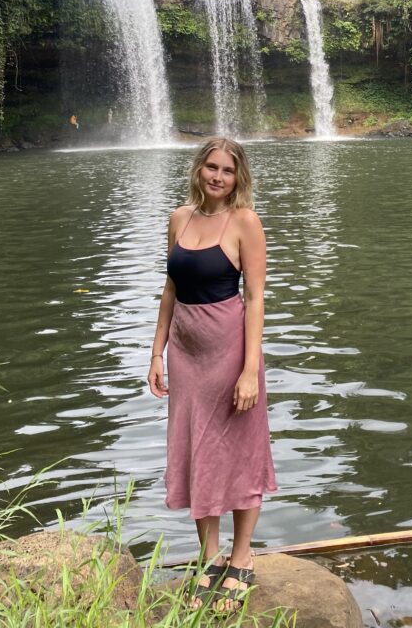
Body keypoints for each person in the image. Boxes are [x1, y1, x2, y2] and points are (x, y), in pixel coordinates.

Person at [148, 137, 277, 610]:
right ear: (198, 169)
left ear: (238, 177)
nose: (218, 177)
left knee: (241, 452)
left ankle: (241, 559)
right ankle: (210, 557)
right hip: (185, 353)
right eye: (211, 167)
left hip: (230, 353)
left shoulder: (245, 222)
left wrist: (249, 370)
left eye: (227, 170)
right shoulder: (178, 218)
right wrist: (156, 352)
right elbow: (170, 289)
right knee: (194, 449)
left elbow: (257, 299)